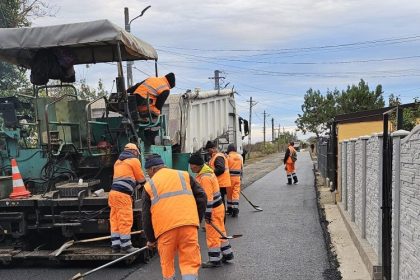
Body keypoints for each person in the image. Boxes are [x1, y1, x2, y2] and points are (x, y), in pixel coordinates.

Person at [141, 154, 207, 280]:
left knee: (167, 265)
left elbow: (146, 216)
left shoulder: (149, 186)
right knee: (189, 264)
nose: (148, 175)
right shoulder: (184, 175)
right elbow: (202, 196)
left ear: (153, 169)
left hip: (165, 230)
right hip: (188, 225)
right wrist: (195, 220)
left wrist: (151, 239)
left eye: (147, 171)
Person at [189, 153, 234, 268]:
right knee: (221, 233)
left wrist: (207, 214)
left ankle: (215, 260)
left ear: (197, 165)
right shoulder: (206, 173)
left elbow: (208, 199)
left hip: (213, 209)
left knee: (212, 236)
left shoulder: (205, 178)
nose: (190, 167)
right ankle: (228, 255)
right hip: (218, 208)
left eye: (191, 165)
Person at [108, 143, 146, 253]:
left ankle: (115, 245)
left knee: (115, 220)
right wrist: (144, 189)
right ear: (134, 152)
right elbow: (140, 178)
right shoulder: (134, 161)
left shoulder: (118, 162)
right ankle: (126, 246)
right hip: (123, 195)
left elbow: (127, 177)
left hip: (113, 194)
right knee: (125, 219)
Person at [205, 141, 231, 210]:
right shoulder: (215, 157)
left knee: (220, 202)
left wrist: (211, 173)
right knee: (220, 201)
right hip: (219, 182)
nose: (208, 152)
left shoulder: (218, 156)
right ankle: (221, 214)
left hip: (220, 182)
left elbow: (221, 169)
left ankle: (222, 216)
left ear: (213, 148)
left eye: (208, 150)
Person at [227, 144, 243, 217]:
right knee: (235, 193)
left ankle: (230, 209)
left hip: (229, 178)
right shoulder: (240, 157)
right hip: (237, 178)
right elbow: (241, 168)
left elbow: (225, 168)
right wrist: (241, 178)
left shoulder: (228, 157)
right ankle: (235, 209)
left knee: (229, 194)